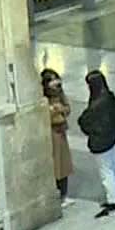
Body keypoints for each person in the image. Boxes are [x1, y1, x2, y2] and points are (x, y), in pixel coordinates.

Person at [77, 69, 115, 217]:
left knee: (105, 171)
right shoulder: (109, 97)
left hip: (100, 141)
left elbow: (84, 120)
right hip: (111, 138)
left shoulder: (96, 104)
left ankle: (113, 201)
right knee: (113, 165)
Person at [42, 70, 73, 201]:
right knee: (55, 164)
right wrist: (52, 111)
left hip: (61, 131)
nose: (55, 84)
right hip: (52, 133)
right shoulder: (43, 98)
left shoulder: (60, 94)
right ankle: (57, 193)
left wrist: (61, 110)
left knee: (63, 164)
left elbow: (67, 108)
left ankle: (64, 193)